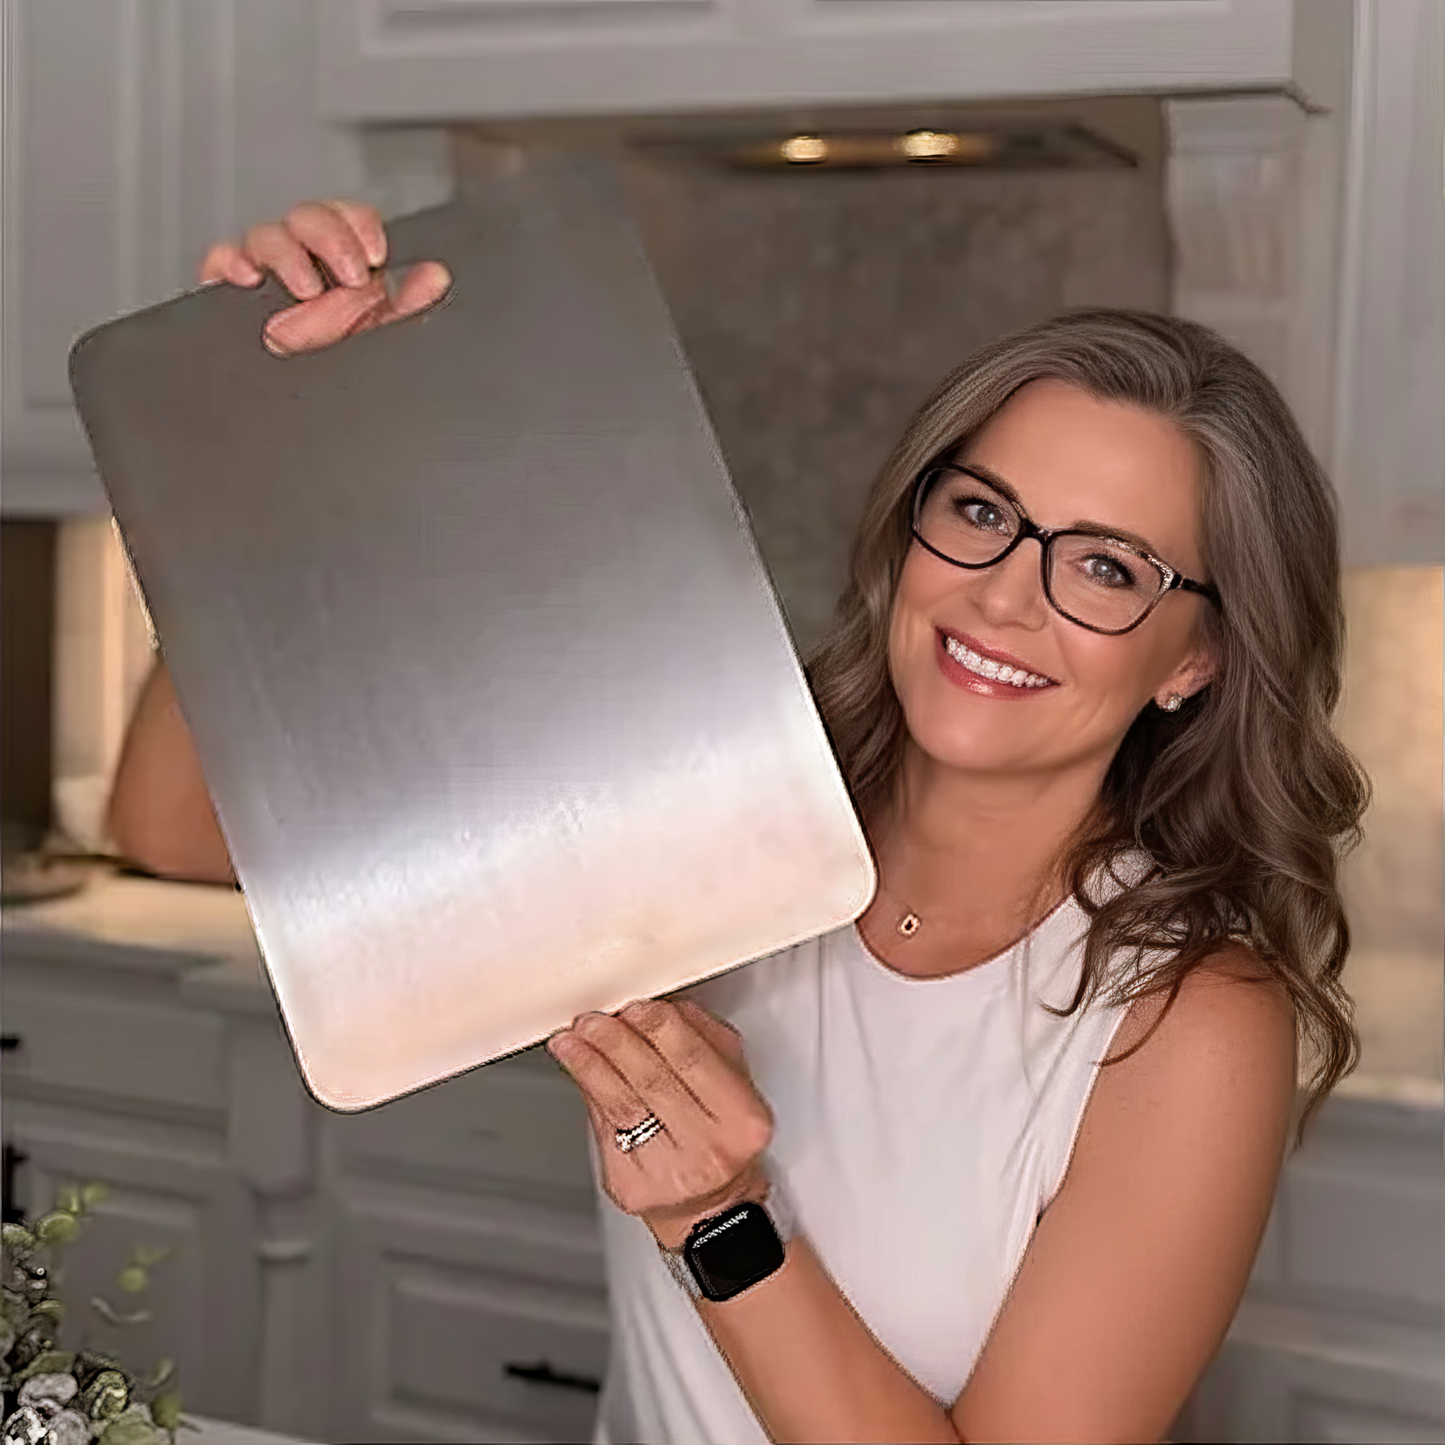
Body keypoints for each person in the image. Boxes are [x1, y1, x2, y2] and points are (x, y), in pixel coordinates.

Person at [107, 200, 1368, 1444]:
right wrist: (251, 465)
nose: (1001, 597)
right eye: (982, 513)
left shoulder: (1184, 1020)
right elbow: (170, 827)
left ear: (1190, 658)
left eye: (1105, 567)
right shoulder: (717, 820)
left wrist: (720, 1218)